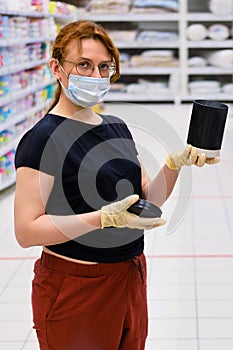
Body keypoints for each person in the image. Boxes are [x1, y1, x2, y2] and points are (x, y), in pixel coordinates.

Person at [14, 20, 219, 350]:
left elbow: (147, 199)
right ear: (57, 68)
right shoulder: (42, 139)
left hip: (129, 277)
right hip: (75, 287)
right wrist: (102, 218)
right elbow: (26, 231)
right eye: (83, 65)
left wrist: (174, 163)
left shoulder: (116, 127)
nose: (96, 76)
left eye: (104, 66)